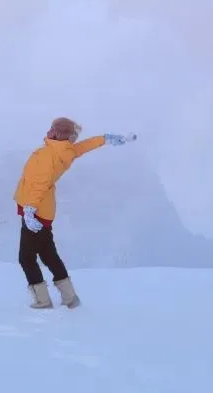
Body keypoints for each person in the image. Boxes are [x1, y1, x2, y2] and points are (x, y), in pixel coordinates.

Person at [13, 116, 135, 309]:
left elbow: (40, 184)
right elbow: (82, 147)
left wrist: (29, 210)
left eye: (52, 128)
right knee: (48, 254)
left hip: (35, 211)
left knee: (26, 258)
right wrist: (105, 139)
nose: (48, 130)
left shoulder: (48, 154)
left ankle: (42, 300)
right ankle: (70, 298)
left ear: (56, 133)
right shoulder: (64, 151)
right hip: (44, 210)